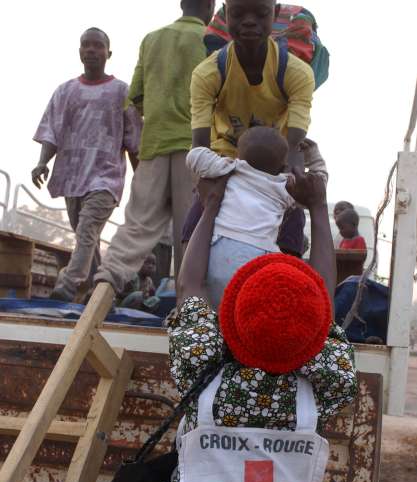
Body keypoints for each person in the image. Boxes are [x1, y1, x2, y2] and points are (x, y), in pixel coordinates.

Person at [92, 171, 357, 482]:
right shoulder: (328, 383)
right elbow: (325, 315)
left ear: (231, 316)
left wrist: (210, 206)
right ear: (315, 336)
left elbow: (190, 284)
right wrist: (318, 207)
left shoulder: (203, 365)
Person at [93, 0, 216, 297]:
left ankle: (104, 285)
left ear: (182, 4)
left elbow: (135, 96)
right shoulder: (212, 41)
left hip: (155, 144)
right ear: (210, 7)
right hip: (197, 150)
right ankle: (187, 315)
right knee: (189, 236)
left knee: (136, 227)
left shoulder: (152, 39)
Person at [182, 0, 316, 254]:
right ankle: (191, 295)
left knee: (291, 230)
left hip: (273, 166)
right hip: (224, 163)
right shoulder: (207, 74)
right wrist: (208, 194)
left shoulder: (296, 73)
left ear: (275, 14)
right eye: (238, 13)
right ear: (226, 13)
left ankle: (282, 279)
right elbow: (200, 148)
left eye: (261, 13)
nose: (249, 21)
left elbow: (293, 147)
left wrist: (294, 193)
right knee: (192, 238)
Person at [32, 27, 141, 302]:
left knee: (87, 229)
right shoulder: (65, 91)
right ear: (79, 51)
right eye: (86, 45)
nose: (91, 50)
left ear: (109, 53)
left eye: (97, 46)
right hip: (72, 177)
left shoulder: (121, 92)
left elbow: (134, 141)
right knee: (86, 238)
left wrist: (143, 183)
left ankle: (67, 285)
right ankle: (101, 293)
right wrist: (42, 162)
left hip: (106, 178)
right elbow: (52, 131)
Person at [187, 126, 295, 307]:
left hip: (220, 246)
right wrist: (313, 158)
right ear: (282, 167)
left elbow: (194, 156)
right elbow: (317, 184)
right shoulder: (283, 186)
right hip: (262, 254)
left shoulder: (230, 167)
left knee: (214, 303)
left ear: (238, 155)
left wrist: (223, 160)